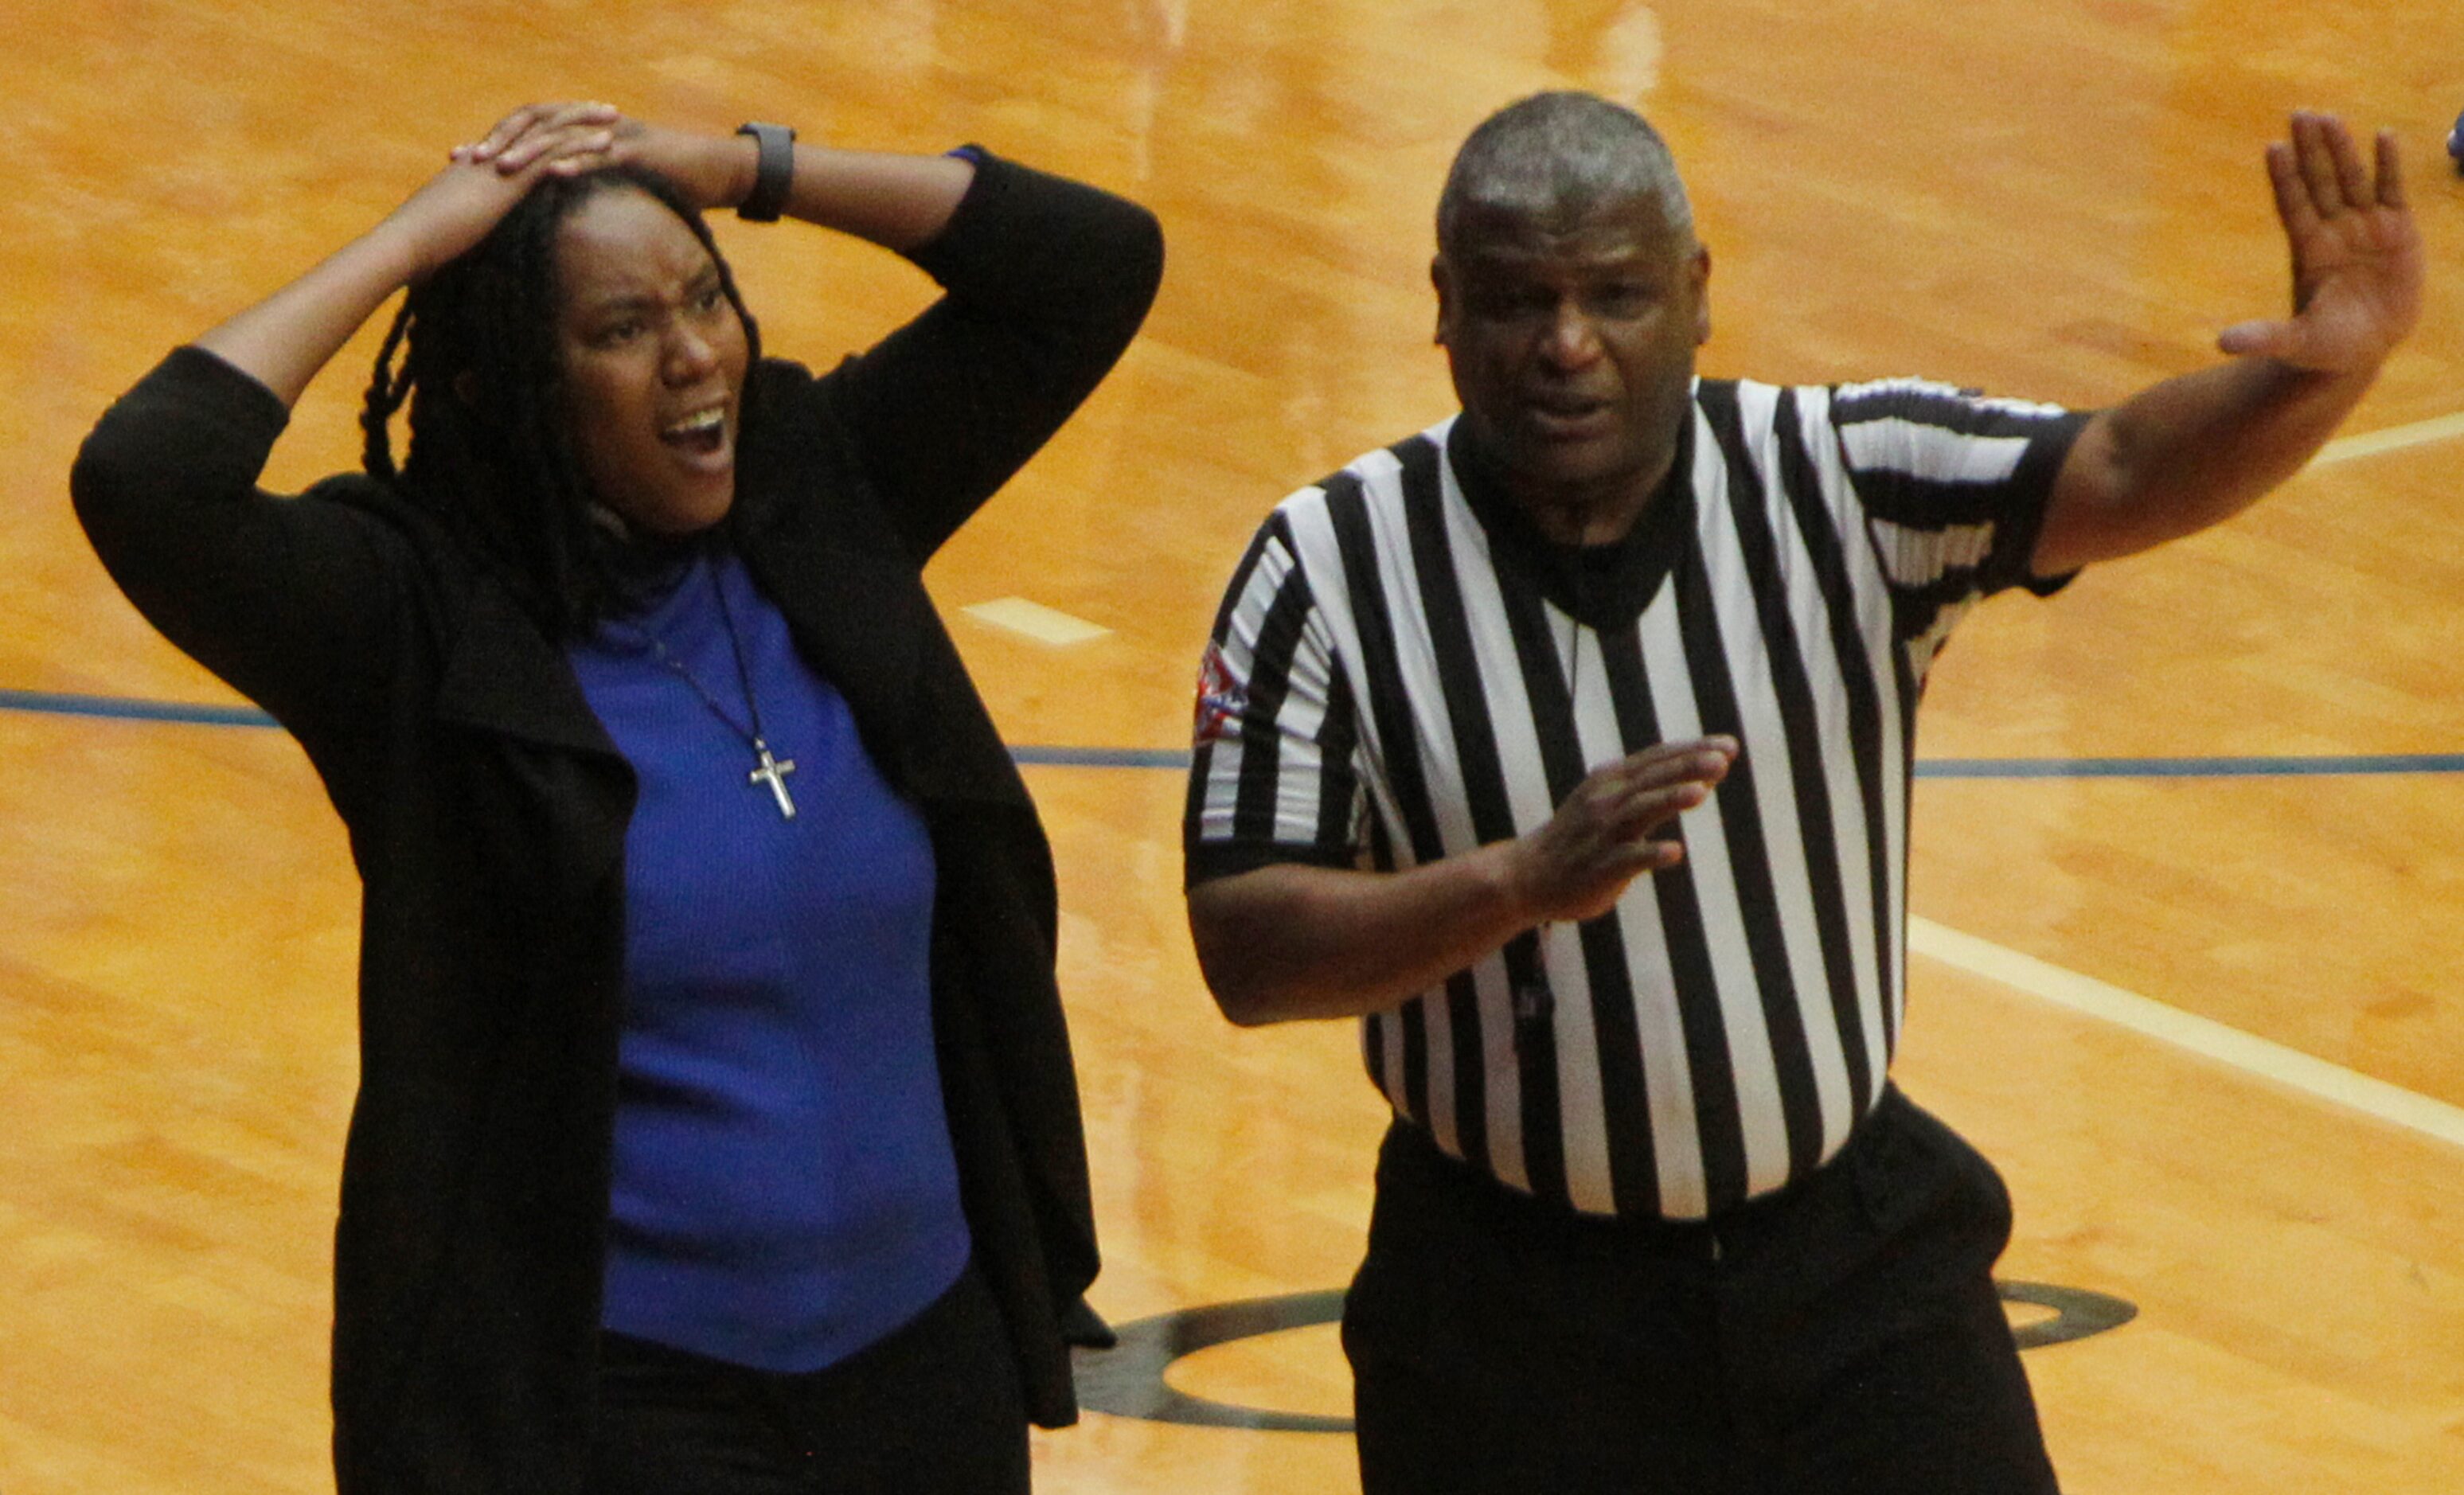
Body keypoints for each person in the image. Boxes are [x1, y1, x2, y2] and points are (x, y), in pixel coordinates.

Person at [1183, 92, 2418, 1493]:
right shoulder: (1324, 565)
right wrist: (1519, 882)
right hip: (1506, 1309)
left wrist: (2328, 373)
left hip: (1855, 1274)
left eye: (1617, 294)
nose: (1568, 344)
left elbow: (2123, 466)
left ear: (1699, 297)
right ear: (1444, 308)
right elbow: (1246, 946)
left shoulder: (1844, 475)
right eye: (1519, 299)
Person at [72, 102, 1161, 1493]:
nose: (696, 351)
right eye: (622, 329)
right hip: (628, 1416)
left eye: (706, 297)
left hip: (928, 1373)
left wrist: (739, 168)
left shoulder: (815, 486)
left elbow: (1093, 266)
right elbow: (144, 478)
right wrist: (419, 239)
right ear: (505, 387)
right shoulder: (419, 629)